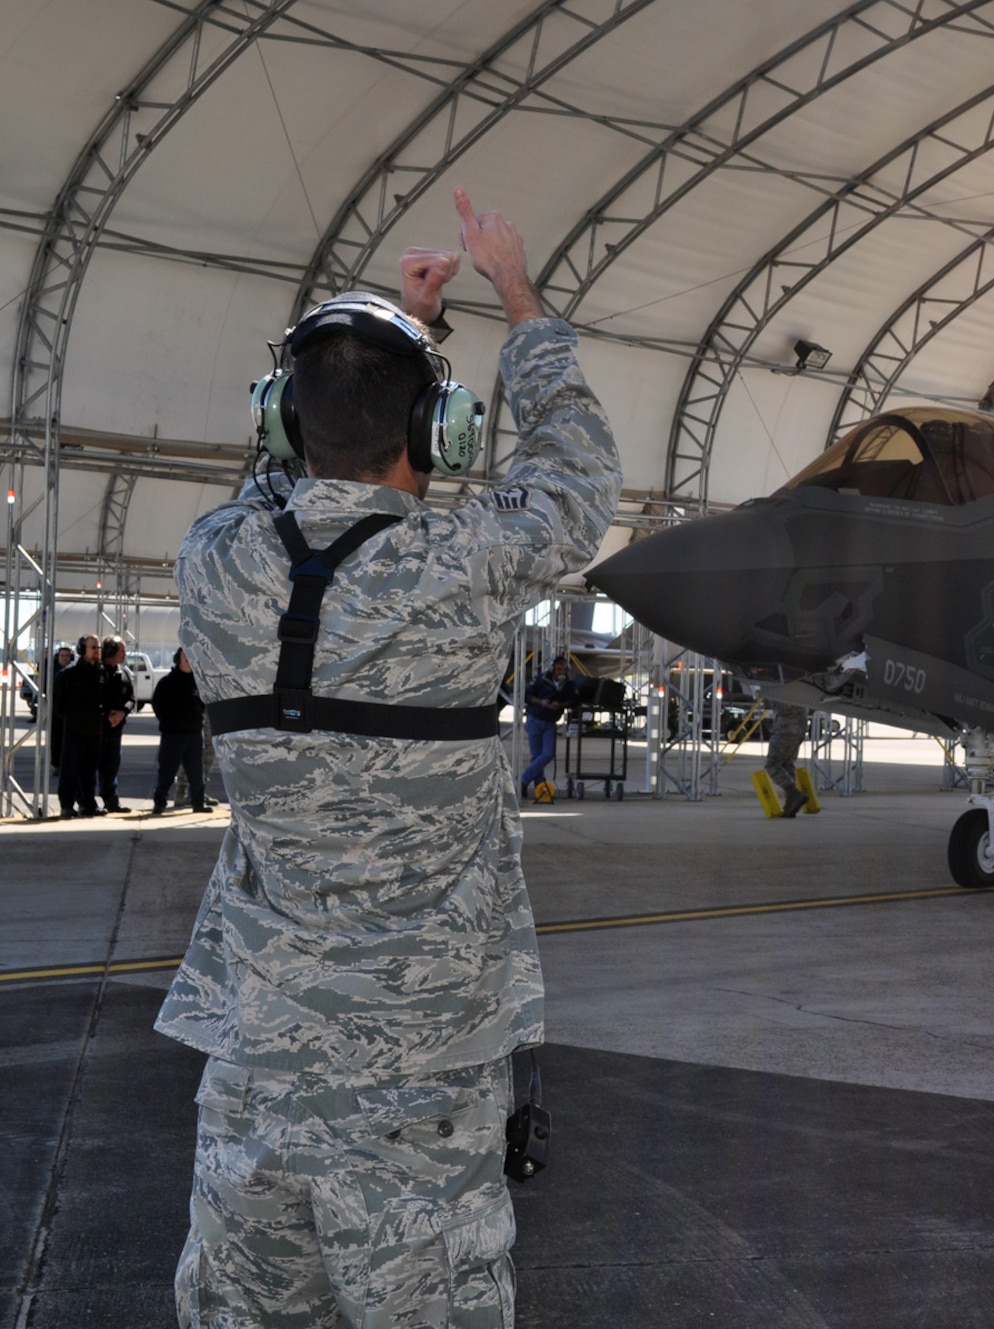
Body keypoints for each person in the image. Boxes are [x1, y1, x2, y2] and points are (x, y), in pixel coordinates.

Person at [157, 188, 619, 1328]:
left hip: (256, 1070)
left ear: (278, 422)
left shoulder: (213, 561)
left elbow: (287, 485)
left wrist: (383, 342)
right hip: (420, 1085)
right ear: (435, 439)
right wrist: (512, 296)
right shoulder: (468, 565)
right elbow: (575, 471)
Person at [151, 648, 207, 814]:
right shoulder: (167, 682)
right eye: (185, 655)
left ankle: (198, 803)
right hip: (173, 735)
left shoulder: (198, 682)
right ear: (178, 658)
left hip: (194, 734)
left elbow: (203, 704)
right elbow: (157, 705)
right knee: (167, 772)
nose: (188, 659)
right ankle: (160, 802)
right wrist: (168, 722)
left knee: (196, 773)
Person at [53, 635, 103, 818]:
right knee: (70, 771)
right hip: (74, 731)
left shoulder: (101, 672)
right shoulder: (68, 674)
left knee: (89, 772)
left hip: (94, 731)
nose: (97, 651)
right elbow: (58, 704)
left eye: (98, 647)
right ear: (82, 650)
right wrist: (72, 719)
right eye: (93, 647)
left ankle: (88, 804)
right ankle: (66, 805)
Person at [518, 658, 575, 797]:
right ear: (552, 669)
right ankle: (539, 785)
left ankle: (523, 780)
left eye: (563, 669)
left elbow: (573, 700)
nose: (561, 672)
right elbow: (526, 695)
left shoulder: (567, 684)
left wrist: (560, 705)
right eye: (558, 669)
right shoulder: (540, 679)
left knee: (548, 754)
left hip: (550, 722)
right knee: (537, 756)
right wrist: (541, 702)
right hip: (535, 719)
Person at [98, 636, 136, 812]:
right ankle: (87, 803)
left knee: (112, 767)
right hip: (97, 728)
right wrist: (106, 715)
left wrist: (122, 713)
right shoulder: (97, 672)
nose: (125, 654)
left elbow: (132, 698)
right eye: (122, 650)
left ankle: (112, 802)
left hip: (116, 728)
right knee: (91, 768)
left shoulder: (125, 673)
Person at [762, 700, 811, 818]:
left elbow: (784, 705)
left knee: (772, 764)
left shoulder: (789, 688)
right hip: (798, 728)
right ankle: (791, 803)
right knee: (787, 764)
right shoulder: (802, 687)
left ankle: (792, 792)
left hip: (786, 728)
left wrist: (768, 699)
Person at [47, 643, 74, 770]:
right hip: (56, 708)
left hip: (71, 709)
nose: (64, 658)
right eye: (62, 655)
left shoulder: (74, 671)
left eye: (67, 656)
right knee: (56, 737)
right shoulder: (52, 670)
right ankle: (57, 763)